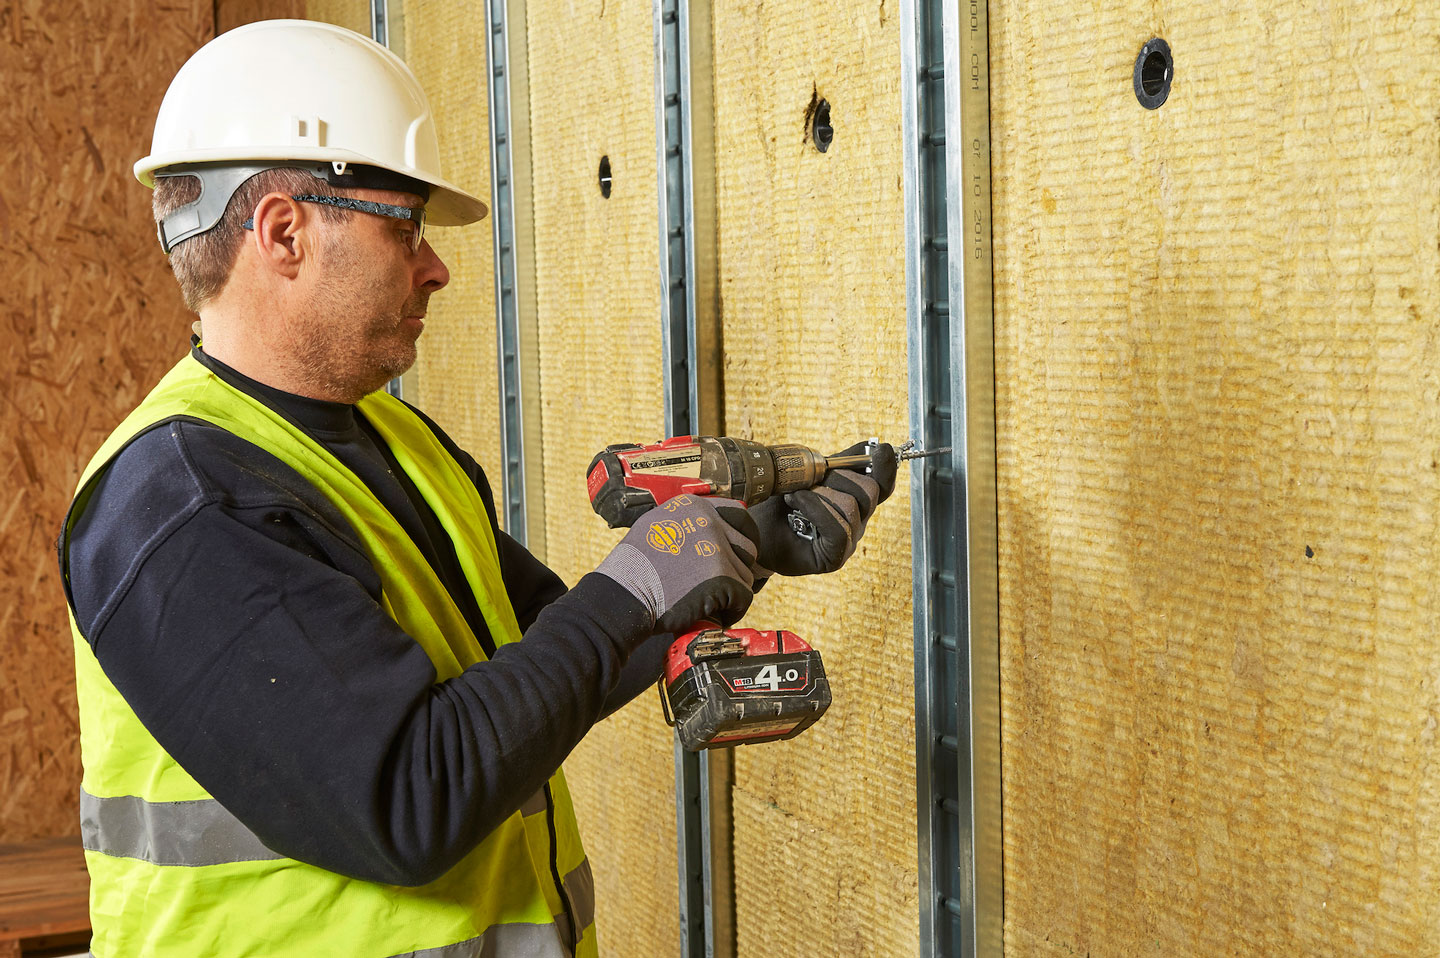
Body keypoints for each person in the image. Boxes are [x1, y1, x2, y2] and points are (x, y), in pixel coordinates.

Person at [56, 19, 896, 958]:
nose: (437, 265)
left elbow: (549, 656)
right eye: (404, 225)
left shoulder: (398, 442)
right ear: (284, 233)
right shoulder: (181, 506)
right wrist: (635, 588)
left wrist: (743, 538)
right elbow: (409, 796)